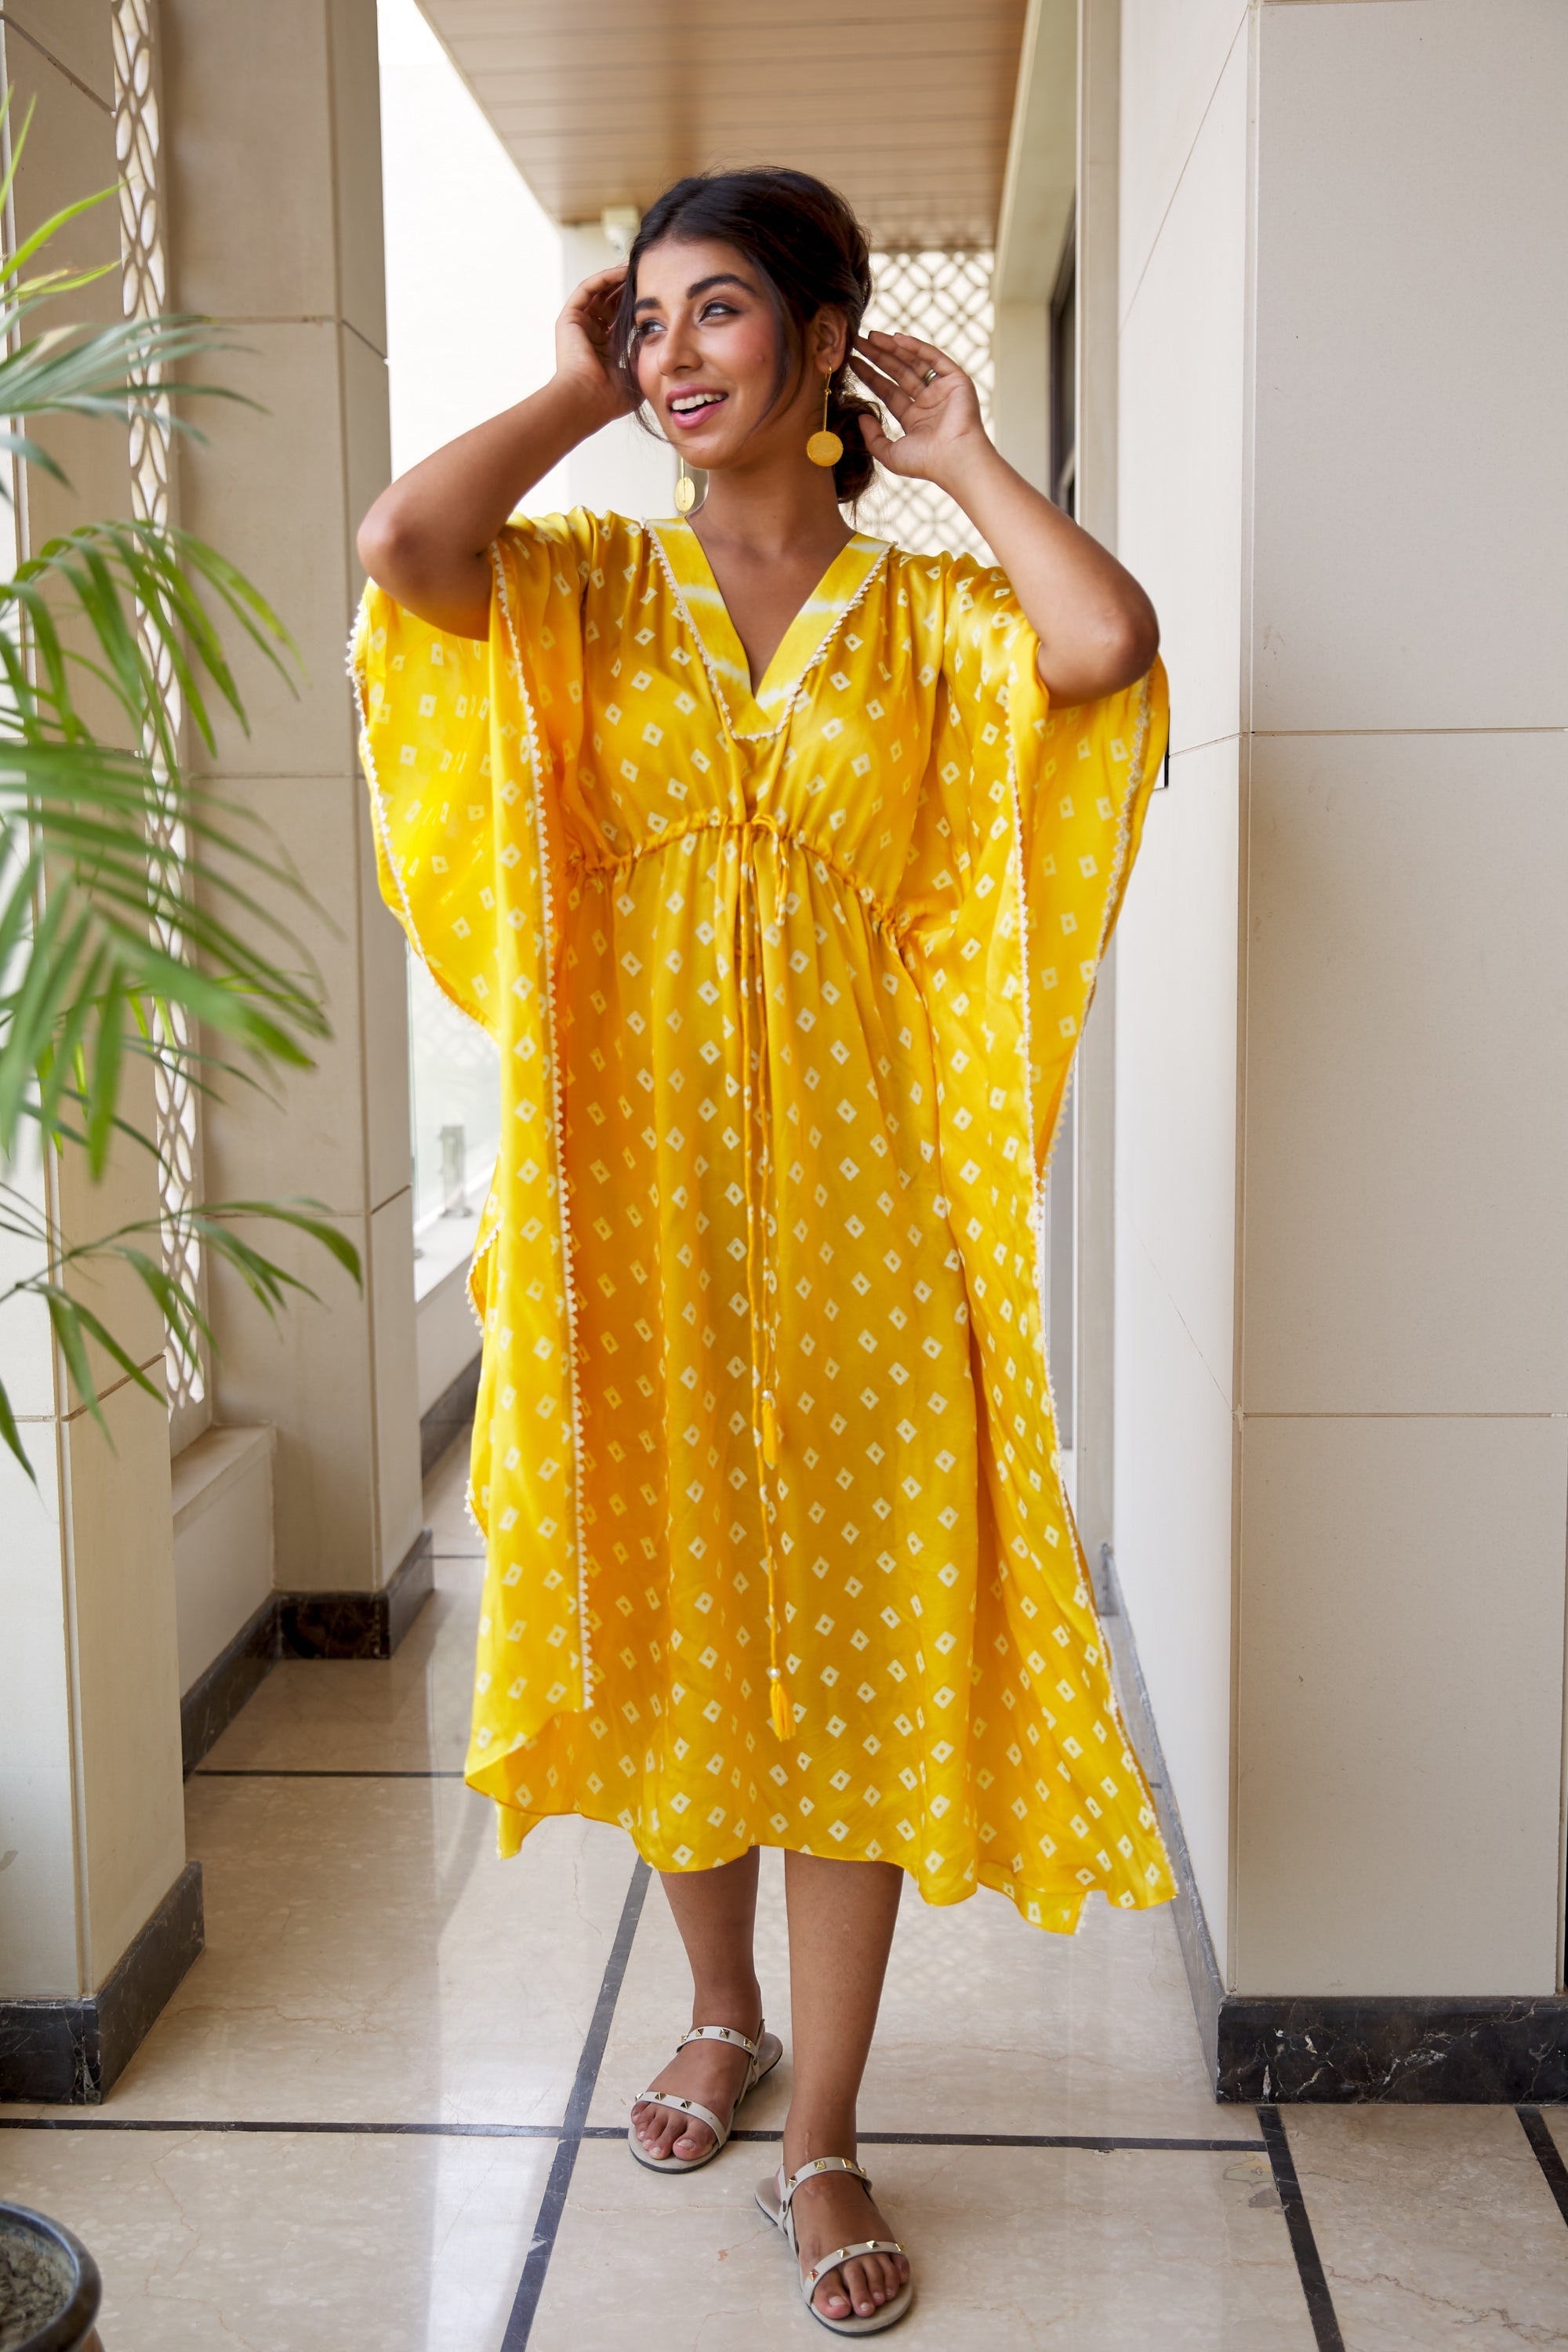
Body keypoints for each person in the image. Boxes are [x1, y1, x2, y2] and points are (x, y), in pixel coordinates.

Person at [354, 165, 1174, 2337]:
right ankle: (715, 2009)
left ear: (825, 340)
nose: (674, 356)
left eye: (719, 312)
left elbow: (1105, 649)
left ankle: (821, 2129)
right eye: (647, 323)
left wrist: (965, 454)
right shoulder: (582, 584)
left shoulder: (923, 619)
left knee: (862, 1638)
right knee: (684, 1607)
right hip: (630, 1196)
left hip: (866, 1212)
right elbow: (403, 548)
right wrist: (569, 392)